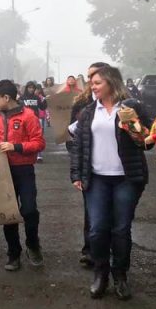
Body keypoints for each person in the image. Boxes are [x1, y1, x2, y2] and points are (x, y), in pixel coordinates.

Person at [70, 66, 151, 300]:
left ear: (111, 83)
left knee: (121, 229)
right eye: (91, 83)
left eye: (97, 83)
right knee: (96, 229)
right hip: (96, 179)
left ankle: (121, 275)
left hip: (127, 178)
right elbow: (79, 145)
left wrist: (135, 128)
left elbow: (148, 141)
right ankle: (101, 274)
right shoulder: (87, 112)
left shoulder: (132, 107)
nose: (93, 87)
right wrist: (77, 174)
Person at [0, 79, 46, 272]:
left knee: (29, 210)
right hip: (4, 170)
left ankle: (33, 244)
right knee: (9, 213)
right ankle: (13, 253)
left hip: (24, 170)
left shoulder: (28, 116)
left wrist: (16, 147)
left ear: (7, 97)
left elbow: (39, 143)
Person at [68, 62, 109, 268]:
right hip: (90, 168)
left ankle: (110, 252)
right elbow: (71, 134)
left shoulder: (124, 102)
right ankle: (90, 250)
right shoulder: (82, 103)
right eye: (89, 77)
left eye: (96, 77)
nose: (92, 82)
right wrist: (77, 166)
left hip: (117, 170)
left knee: (116, 219)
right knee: (91, 212)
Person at [21, 81, 47, 162]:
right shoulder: (22, 98)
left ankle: (39, 155)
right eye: (29, 88)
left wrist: (46, 100)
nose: (31, 89)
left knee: (37, 137)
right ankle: (27, 153)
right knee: (25, 137)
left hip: (35, 120)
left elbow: (42, 107)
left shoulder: (37, 98)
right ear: (26, 88)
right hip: (25, 121)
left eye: (33, 88)